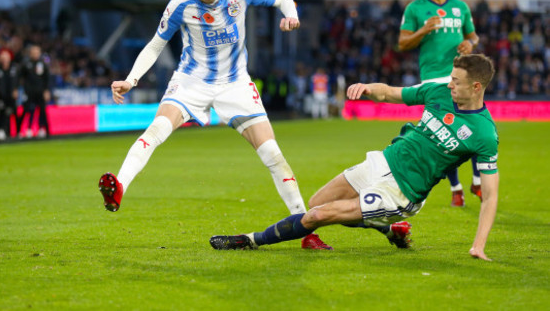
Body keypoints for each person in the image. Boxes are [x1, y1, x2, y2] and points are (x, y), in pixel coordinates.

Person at [100, 0, 332, 250]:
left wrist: (292, 16)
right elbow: (156, 45)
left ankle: (306, 230)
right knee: (156, 130)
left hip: (235, 84)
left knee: (274, 156)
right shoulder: (179, 5)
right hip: (191, 82)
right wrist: (131, 80)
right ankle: (118, 188)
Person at [210, 54, 500, 261]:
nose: (450, 85)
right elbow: (390, 93)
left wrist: (478, 245)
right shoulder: (439, 91)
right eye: (451, 78)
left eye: (457, 82)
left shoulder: (483, 134)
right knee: (317, 202)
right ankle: (389, 229)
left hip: (401, 192)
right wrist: (368, 89)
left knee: (317, 216)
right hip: (383, 161)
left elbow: (489, 197)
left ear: (476, 87)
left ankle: (249, 240)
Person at [397, 0, 481, 207]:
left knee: (474, 127)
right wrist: (423, 31)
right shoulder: (415, 9)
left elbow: (473, 35)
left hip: (462, 76)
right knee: (445, 135)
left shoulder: (460, 7)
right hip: (434, 80)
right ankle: (456, 187)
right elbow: (402, 43)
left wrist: (471, 44)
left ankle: (476, 182)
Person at [16, 45, 50, 139]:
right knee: (26, 110)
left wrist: (46, 90)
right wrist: (19, 88)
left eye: (37, 52)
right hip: (29, 92)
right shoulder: (26, 64)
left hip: (40, 91)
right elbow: (19, 76)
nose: (36, 54)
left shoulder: (42, 64)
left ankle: (44, 130)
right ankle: (20, 130)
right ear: (30, 53)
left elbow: (46, 78)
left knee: (42, 111)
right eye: (34, 52)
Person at [0, 48, 19, 140]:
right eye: (2, 56)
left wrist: (16, 89)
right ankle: (2, 130)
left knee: (14, 113)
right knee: (1, 114)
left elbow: (17, 81)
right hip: (1, 96)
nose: (4, 58)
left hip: (11, 96)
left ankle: (18, 132)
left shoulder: (14, 69)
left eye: (6, 56)